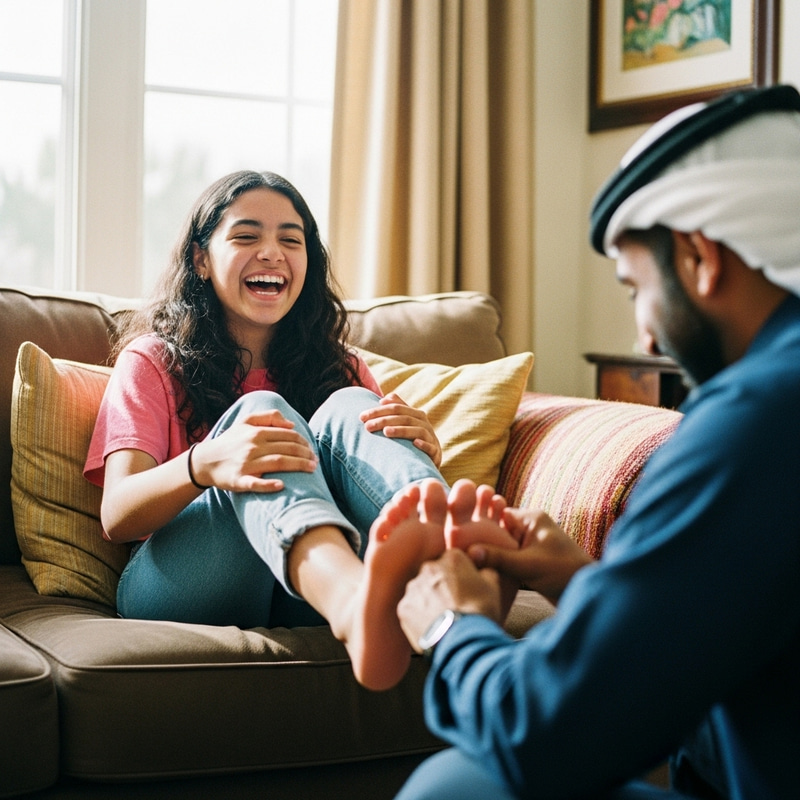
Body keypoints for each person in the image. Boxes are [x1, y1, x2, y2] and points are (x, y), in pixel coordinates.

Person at [394, 84, 800, 798]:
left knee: (457, 787)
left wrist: (448, 626)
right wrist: (587, 584)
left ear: (700, 257)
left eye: (637, 288)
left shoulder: (754, 417)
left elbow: (542, 733)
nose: (646, 338)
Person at [83, 169, 511, 692]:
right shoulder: (153, 361)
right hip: (184, 582)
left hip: (301, 595)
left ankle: (457, 562)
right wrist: (205, 464)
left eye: (291, 240)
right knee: (263, 413)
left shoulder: (341, 368)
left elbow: (366, 483)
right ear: (200, 259)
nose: (271, 253)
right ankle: (354, 602)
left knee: (355, 406)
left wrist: (422, 446)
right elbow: (118, 513)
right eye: (246, 236)